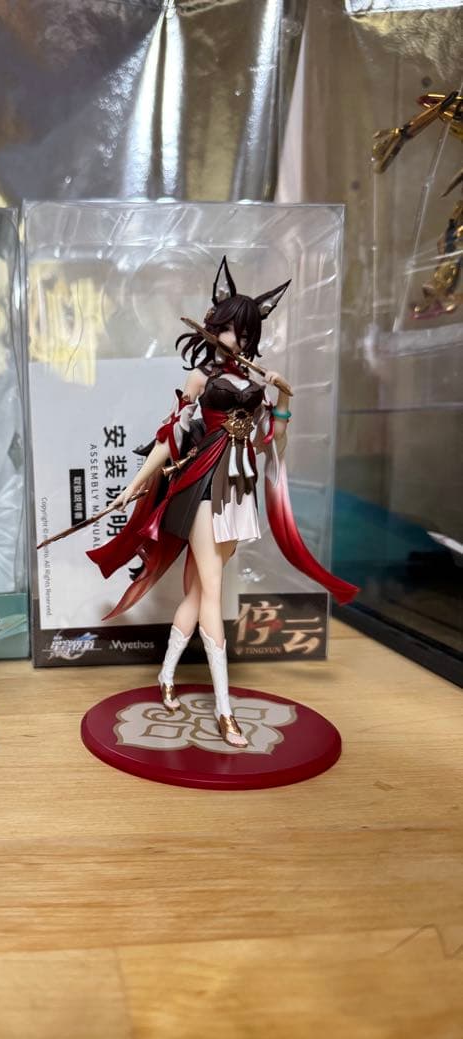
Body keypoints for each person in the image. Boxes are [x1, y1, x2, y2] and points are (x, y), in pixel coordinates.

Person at [87, 257, 357, 748]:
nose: (234, 338)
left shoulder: (258, 386)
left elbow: (271, 445)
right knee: (211, 592)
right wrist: (135, 483)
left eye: (243, 331)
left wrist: (284, 401)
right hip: (202, 488)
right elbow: (170, 437)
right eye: (227, 328)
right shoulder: (200, 379)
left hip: (239, 490)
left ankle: (165, 676)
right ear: (214, 326)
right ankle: (225, 709)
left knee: (197, 592)